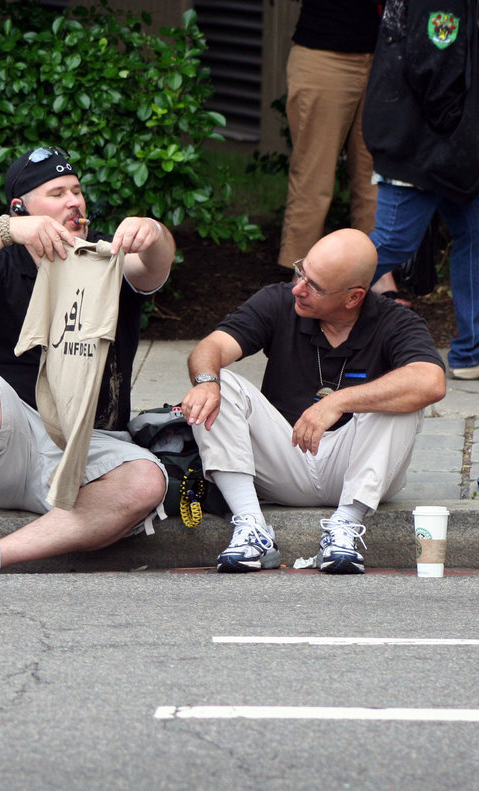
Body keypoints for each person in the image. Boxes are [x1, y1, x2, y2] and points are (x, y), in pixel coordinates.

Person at [0, 146, 175, 574]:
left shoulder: (107, 259)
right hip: (10, 445)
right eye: (56, 193)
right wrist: (6, 232)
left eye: (76, 191)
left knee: (146, 481)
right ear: (20, 208)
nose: (74, 202)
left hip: (91, 450)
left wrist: (152, 231)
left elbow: (157, 264)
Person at [180, 229, 446, 575]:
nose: (298, 288)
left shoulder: (394, 321)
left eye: (314, 286)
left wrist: (339, 402)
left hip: (359, 468)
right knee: (220, 383)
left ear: (353, 298)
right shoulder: (278, 302)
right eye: (301, 271)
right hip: (284, 457)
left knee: (404, 397)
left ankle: (345, 528)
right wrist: (205, 382)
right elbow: (209, 348)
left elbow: (431, 381)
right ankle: (252, 528)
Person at [364, 0, 479, 380]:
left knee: (476, 231)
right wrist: (455, 133)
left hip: (459, 152)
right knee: (393, 242)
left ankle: (473, 351)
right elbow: (431, 67)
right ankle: (300, 302)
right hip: (431, 147)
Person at [278, 0, 381, 272]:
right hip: (325, 52)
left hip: (384, 54)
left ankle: (375, 272)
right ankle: (301, 274)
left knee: (376, 174)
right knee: (315, 172)